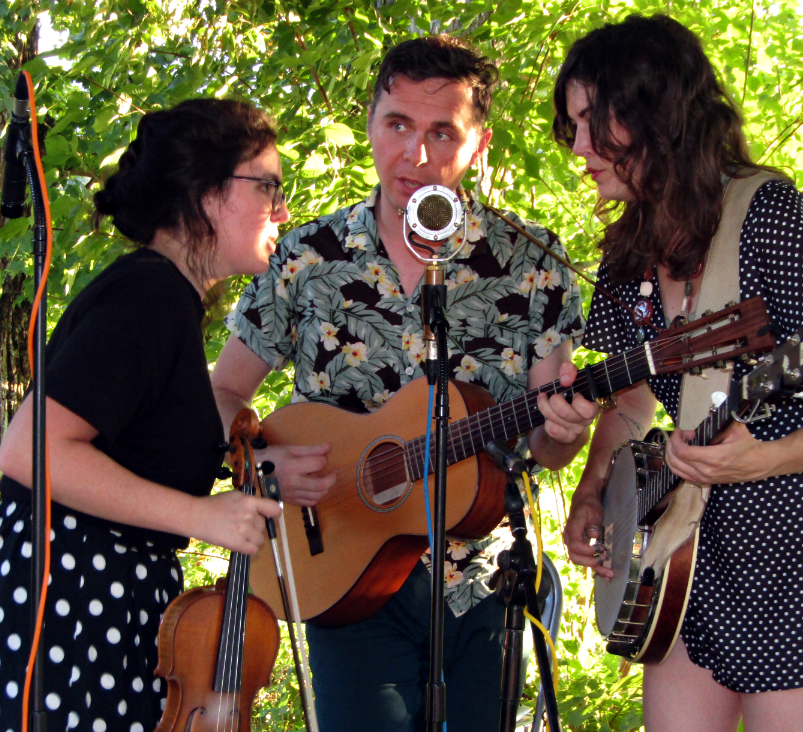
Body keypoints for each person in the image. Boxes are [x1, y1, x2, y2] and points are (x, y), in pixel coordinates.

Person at [212, 35, 598, 732]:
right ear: (369, 126)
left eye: (441, 133)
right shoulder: (307, 258)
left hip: (490, 584)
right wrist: (262, 467)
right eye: (397, 126)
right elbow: (220, 394)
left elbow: (546, 447)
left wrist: (566, 430)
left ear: (478, 146)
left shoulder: (531, 260)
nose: (415, 157)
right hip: (343, 572)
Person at [554, 14, 803, 732]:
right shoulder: (626, 254)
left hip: (802, 547)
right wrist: (592, 493)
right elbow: (631, 403)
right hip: (683, 555)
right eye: (573, 126)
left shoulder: (767, 215)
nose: (580, 148)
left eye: (593, 122)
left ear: (656, 113)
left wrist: (761, 457)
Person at [0, 98, 286, 732]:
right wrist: (202, 517)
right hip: (62, 607)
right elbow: (31, 451)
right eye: (267, 187)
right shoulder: (148, 295)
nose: (281, 210)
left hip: (93, 603)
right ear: (208, 195)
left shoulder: (167, 301)